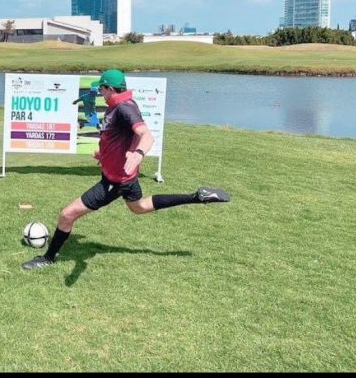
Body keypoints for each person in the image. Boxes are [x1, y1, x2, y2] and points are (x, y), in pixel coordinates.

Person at [23, 68, 231, 271]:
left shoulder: (124, 107)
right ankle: (197, 197)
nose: (100, 93)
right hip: (125, 177)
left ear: (110, 88)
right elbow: (119, 138)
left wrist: (138, 153)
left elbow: (146, 135)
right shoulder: (119, 105)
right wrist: (104, 156)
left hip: (116, 181)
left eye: (102, 89)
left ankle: (48, 258)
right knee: (139, 207)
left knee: (67, 215)